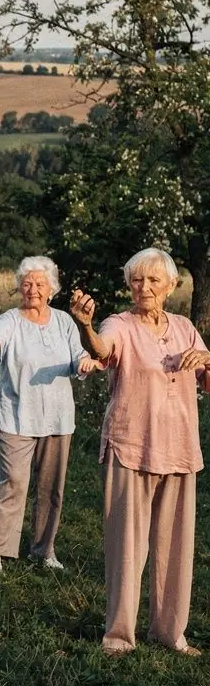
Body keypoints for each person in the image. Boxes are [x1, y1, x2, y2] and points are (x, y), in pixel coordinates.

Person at [70, 248, 210, 656]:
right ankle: (118, 637)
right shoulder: (120, 324)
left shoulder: (185, 327)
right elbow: (101, 349)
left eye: (152, 281)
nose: (143, 288)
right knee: (127, 548)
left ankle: (170, 633)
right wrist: (85, 327)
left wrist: (207, 357)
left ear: (170, 286)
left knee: (176, 550)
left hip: (180, 448)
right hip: (131, 446)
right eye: (136, 280)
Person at [0, 255, 98, 574]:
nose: (33, 289)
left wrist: (84, 363)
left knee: (52, 486)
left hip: (57, 417)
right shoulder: (10, 319)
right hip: (17, 414)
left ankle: (44, 549)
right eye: (26, 283)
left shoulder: (64, 322)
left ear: (51, 288)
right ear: (19, 287)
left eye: (40, 283)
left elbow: (79, 355)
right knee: (13, 481)